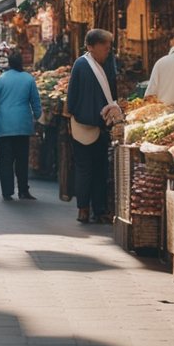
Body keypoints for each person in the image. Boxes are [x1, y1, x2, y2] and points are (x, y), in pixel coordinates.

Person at [66, 29, 121, 224]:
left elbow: (71, 99)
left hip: (95, 124)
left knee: (95, 169)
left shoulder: (98, 64)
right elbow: (72, 96)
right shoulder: (84, 64)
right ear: (91, 47)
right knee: (90, 169)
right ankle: (87, 209)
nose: (108, 51)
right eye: (105, 48)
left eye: (108, 48)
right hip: (87, 125)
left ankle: (92, 209)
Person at [0, 52, 42, 200]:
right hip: (22, 125)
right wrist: (37, 115)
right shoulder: (28, 79)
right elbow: (36, 102)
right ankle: (23, 190)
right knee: (22, 160)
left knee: (6, 160)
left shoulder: (1, 80)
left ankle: (7, 191)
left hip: (4, 126)